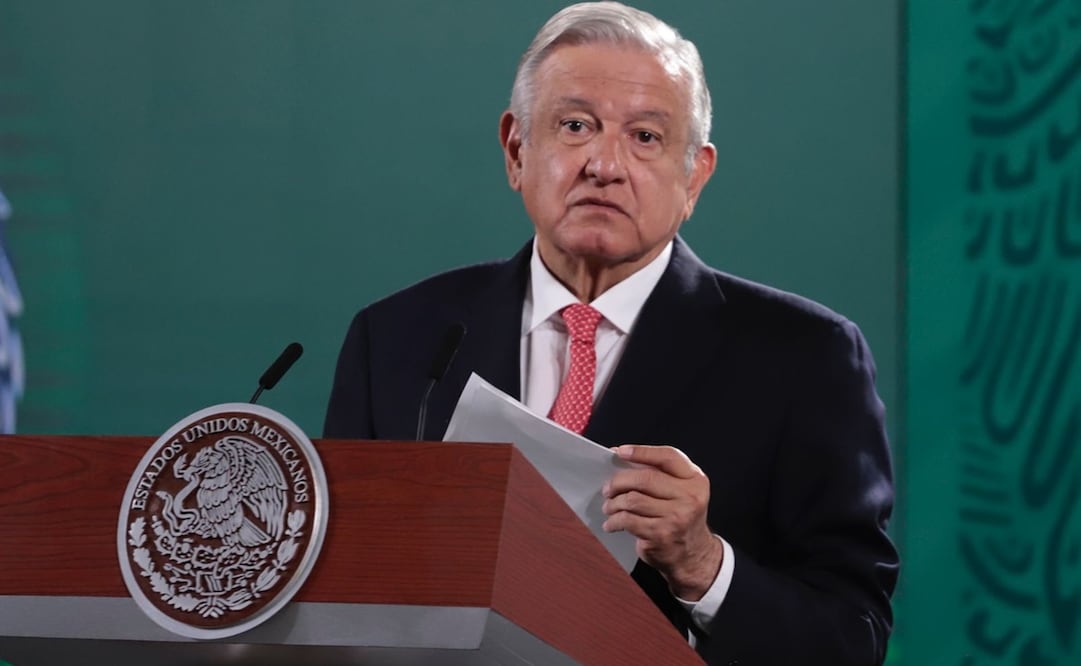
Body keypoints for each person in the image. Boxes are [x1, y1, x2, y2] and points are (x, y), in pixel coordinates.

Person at [324, 2, 899, 663]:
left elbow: (850, 639)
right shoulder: (397, 338)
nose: (604, 164)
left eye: (646, 138)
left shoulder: (805, 358)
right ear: (516, 150)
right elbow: (340, 593)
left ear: (694, 178)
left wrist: (703, 566)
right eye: (575, 126)